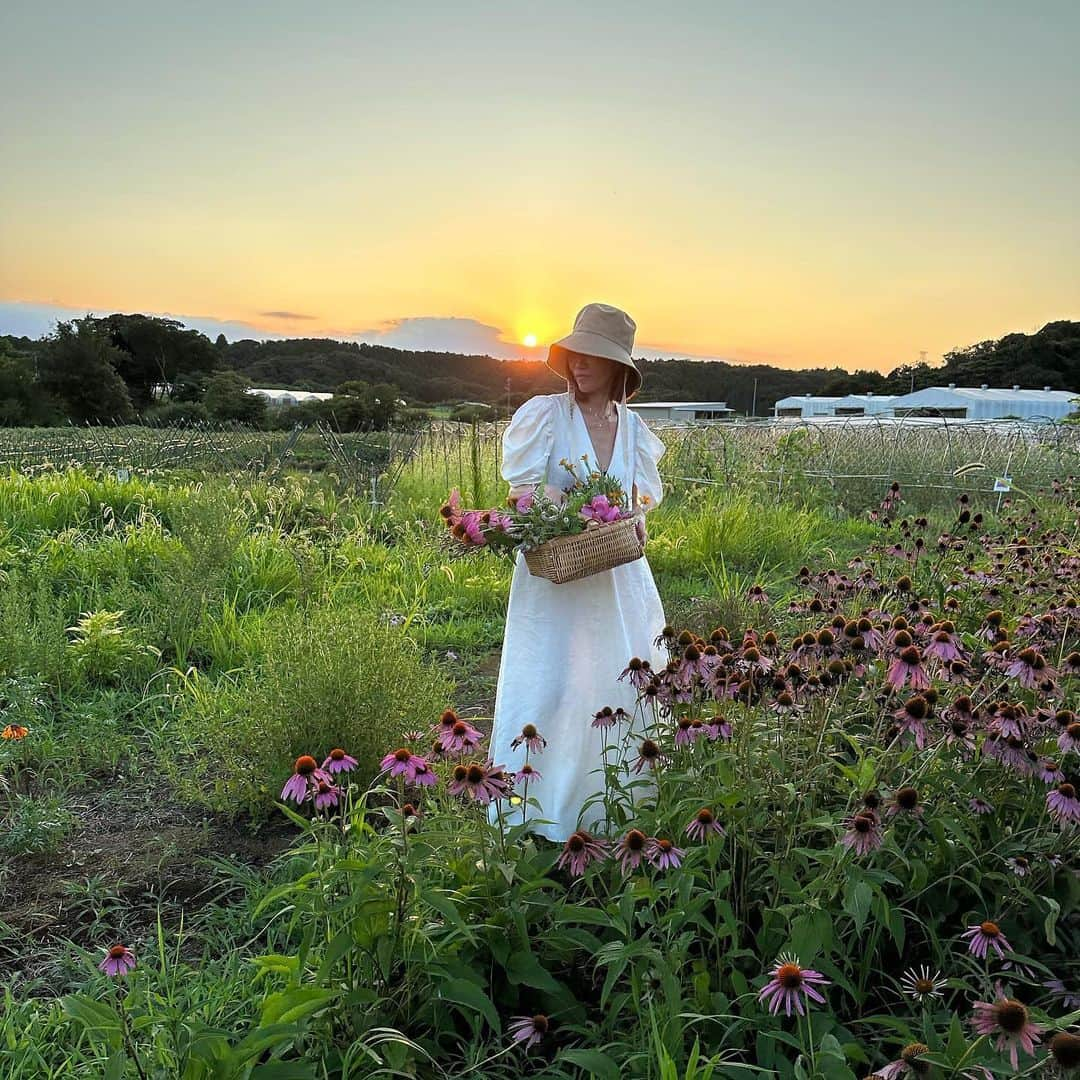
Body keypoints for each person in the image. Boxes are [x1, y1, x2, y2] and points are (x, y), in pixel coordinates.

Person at [487, 302, 669, 842]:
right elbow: (521, 492)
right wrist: (566, 514)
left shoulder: (633, 429)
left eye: (595, 355)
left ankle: (616, 808)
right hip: (557, 577)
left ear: (619, 368)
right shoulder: (544, 415)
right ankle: (538, 811)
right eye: (575, 353)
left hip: (618, 578)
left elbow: (639, 502)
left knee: (618, 674)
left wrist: (631, 523)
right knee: (554, 679)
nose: (581, 364)